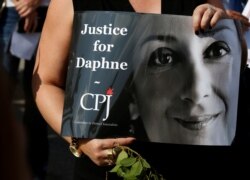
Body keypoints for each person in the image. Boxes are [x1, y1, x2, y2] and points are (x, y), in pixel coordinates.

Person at [32, 0, 250, 179]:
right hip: (112, 168)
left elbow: (232, 75)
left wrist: (227, 32)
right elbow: (47, 83)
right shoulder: (68, 2)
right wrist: (80, 141)